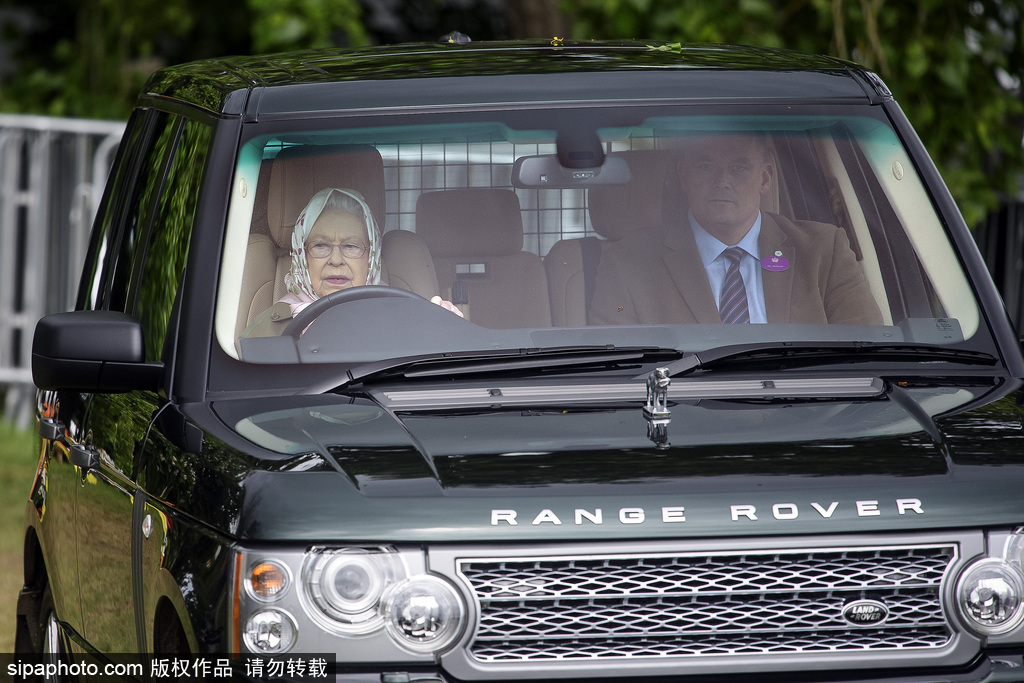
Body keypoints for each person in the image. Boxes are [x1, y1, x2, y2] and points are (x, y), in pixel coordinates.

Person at [588, 132, 883, 326]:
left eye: (739, 167)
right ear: (684, 175)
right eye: (706, 166)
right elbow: (619, 375)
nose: (723, 180)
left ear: (765, 178)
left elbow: (870, 359)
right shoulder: (628, 263)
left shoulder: (824, 251)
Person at [241, 187, 461, 339]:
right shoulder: (270, 327)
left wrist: (446, 329)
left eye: (351, 246)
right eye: (320, 246)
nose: (336, 260)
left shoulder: (409, 317)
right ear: (302, 255)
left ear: (371, 257)